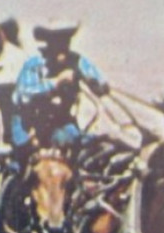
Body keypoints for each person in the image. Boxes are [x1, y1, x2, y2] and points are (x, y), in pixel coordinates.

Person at [10, 25, 127, 175]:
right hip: (30, 124)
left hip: (60, 122)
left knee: (81, 141)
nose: (61, 48)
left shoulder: (77, 61)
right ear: (48, 42)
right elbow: (23, 96)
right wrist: (55, 84)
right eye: (57, 42)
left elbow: (98, 81)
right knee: (22, 163)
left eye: (65, 42)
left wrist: (98, 85)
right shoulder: (33, 64)